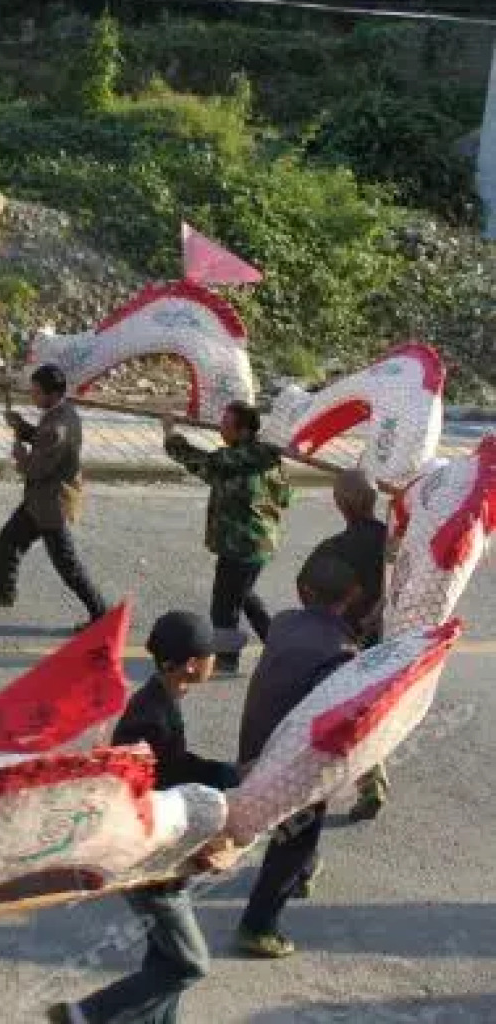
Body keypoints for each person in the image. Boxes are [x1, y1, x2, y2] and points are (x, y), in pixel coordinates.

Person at [49, 611, 240, 1024]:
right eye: (212, 654)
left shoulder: (160, 700)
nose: (216, 661)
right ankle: (85, 1014)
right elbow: (146, 789)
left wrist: (224, 773)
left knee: (165, 963)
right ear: (192, 664)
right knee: (190, 965)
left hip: (161, 852)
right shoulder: (151, 718)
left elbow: (177, 765)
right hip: (151, 858)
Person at [234, 553, 362, 959]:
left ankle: (303, 872)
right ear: (352, 597)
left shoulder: (284, 623)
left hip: (254, 743)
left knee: (298, 835)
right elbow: (331, 719)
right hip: (292, 762)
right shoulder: (340, 652)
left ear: (301, 590)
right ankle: (258, 926)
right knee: (295, 837)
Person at [0, 364, 108, 630]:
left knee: (67, 565)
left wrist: (20, 456)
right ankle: (3, 592)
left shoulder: (57, 426)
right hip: (41, 501)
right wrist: (22, 427)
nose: (32, 397)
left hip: (50, 504)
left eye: (36, 393)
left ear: (52, 394)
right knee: (9, 540)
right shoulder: (64, 413)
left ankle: (100, 614)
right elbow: (41, 439)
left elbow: (37, 468)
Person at [163, 402, 292, 675]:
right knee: (243, 596)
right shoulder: (268, 458)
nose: (221, 428)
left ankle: (226, 659)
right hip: (259, 542)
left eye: (226, 424)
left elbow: (202, 462)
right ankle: (277, 645)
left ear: (243, 431)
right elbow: (285, 497)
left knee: (224, 605)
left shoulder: (237, 460)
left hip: (242, 545)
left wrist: (170, 433)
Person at [307, 469, 391, 821]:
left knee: (341, 713)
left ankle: (336, 783)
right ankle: (372, 781)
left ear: (341, 505)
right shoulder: (396, 541)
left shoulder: (333, 551)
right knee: (372, 710)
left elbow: (309, 592)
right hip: (390, 644)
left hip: (346, 644)